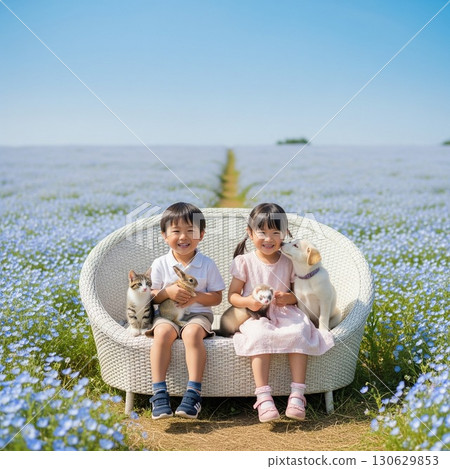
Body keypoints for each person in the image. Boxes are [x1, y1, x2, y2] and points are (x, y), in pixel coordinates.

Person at [228, 203, 334, 422]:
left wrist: (289, 298)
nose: (269, 239)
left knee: (299, 332)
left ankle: (297, 395)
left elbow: (299, 293)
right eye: (262, 233)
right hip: (256, 314)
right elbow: (233, 296)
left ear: (285, 234)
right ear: (249, 233)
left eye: (275, 233)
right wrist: (249, 301)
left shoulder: (290, 260)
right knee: (259, 335)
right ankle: (263, 397)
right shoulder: (244, 261)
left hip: (286, 312)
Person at [148, 202, 225, 419]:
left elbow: (217, 297)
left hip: (199, 314)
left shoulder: (207, 264)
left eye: (191, 231)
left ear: (201, 234)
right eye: (176, 231)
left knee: (192, 334)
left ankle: (193, 393)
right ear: (164, 235)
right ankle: (159, 392)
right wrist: (168, 292)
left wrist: (196, 298)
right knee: (162, 333)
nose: (183, 237)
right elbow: (152, 296)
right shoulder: (161, 263)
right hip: (167, 314)